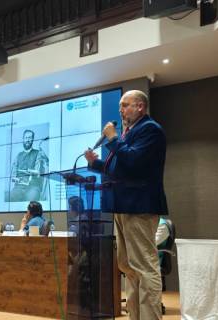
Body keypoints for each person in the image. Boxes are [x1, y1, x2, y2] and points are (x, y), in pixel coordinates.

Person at [84, 90, 168, 320]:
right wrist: (95, 164)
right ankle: (136, 316)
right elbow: (119, 169)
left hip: (139, 206)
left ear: (140, 107)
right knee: (127, 266)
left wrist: (112, 139)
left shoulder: (150, 130)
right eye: (121, 106)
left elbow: (134, 162)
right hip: (121, 206)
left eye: (125, 105)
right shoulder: (129, 133)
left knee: (144, 266)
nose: (120, 110)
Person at [9, 129, 49, 202]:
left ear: (33, 139)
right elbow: (13, 175)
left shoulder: (38, 153)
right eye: (26, 138)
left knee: (31, 200)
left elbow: (38, 171)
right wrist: (17, 179)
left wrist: (30, 172)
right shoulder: (18, 155)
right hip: (19, 187)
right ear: (23, 139)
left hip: (33, 187)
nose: (27, 140)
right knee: (11, 196)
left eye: (30, 138)